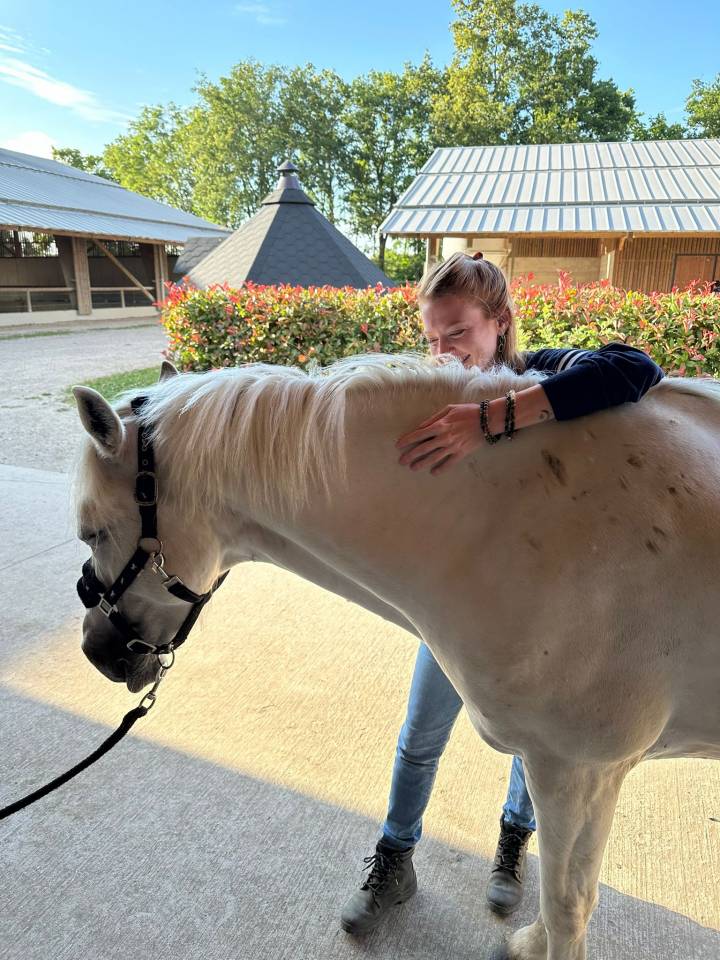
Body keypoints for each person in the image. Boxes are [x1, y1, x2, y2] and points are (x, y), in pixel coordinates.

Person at [340, 251, 664, 936]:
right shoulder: (429, 391)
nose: (442, 354)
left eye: (456, 332)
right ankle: (393, 858)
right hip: (450, 612)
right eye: (430, 337)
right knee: (419, 737)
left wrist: (490, 420)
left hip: (535, 618)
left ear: (500, 322)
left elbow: (636, 369)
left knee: (531, 750)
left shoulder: (538, 372)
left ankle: (512, 849)